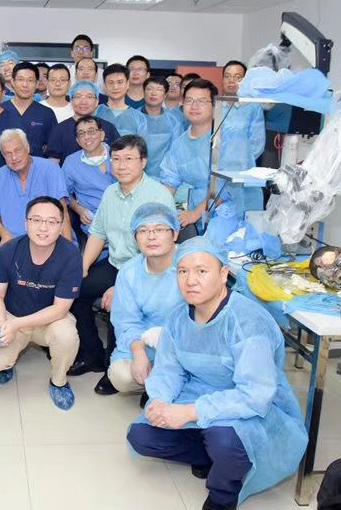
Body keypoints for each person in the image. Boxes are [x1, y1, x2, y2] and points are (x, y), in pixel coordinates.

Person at [126, 237, 307, 510]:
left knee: (224, 439)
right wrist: (159, 401)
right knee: (142, 436)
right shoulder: (178, 318)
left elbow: (255, 394)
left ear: (223, 274)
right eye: (183, 271)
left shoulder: (247, 322)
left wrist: (189, 412)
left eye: (201, 271)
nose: (190, 281)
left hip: (248, 405)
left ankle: (223, 495)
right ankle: (209, 455)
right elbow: (168, 370)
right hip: (198, 392)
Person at [69, 135, 175, 395]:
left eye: (129, 159)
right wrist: (82, 268)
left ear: (143, 162)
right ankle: (92, 354)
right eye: (116, 159)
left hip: (147, 270)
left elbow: (160, 246)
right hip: (115, 264)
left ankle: (112, 368)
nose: (121, 165)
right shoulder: (110, 193)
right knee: (73, 290)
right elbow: (97, 233)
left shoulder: (158, 195)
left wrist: (121, 286)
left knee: (121, 306)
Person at [0, 196, 82, 410]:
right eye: (36, 220)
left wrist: (16, 325)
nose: (43, 228)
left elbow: (60, 308)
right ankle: (6, 361)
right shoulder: (7, 251)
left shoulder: (70, 256)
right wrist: (3, 322)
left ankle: (59, 381)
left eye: (52, 222)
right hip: (12, 315)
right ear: (26, 223)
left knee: (67, 337)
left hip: (50, 318)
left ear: (61, 226)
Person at [108, 203, 185, 400]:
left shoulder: (189, 265)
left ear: (175, 233)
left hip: (186, 342)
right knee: (121, 376)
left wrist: (169, 339)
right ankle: (153, 384)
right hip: (147, 341)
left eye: (159, 229)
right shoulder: (129, 272)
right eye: (143, 231)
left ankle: (166, 386)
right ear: (135, 238)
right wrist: (139, 353)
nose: (151, 236)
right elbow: (126, 321)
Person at [0, 128, 72, 242]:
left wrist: (67, 248)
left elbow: (63, 212)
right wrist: (4, 234)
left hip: (50, 241)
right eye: (8, 154)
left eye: (17, 150)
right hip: (14, 242)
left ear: (27, 147)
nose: (14, 157)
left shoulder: (50, 169)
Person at [160, 79, 219, 235]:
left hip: (225, 215)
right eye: (189, 100)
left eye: (201, 101)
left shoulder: (227, 139)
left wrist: (195, 214)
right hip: (194, 215)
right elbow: (169, 182)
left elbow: (226, 189)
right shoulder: (179, 144)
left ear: (215, 106)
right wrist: (160, 212)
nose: (194, 106)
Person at [219, 60, 265, 213]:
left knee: (246, 215)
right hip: (216, 173)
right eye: (227, 76)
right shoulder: (216, 106)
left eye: (237, 77)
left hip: (243, 173)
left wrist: (238, 162)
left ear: (245, 81)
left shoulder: (253, 107)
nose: (231, 81)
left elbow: (257, 144)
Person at [62, 116, 114, 245]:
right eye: (81, 133)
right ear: (78, 141)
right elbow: (64, 194)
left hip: (122, 213)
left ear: (102, 135)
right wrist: (79, 209)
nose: (86, 137)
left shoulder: (118, 155)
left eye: (91, 131)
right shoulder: (71, 163)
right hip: (93, 219)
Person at [46, 80, 119, 165]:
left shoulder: (109, 127)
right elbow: (53, 164)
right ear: (71, 101)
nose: (83, 102)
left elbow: (119, 155)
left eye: (89, 97)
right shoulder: (60, 129)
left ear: (97, 102)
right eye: (78, 96)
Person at [1, 61, 57, 157]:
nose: (25, 85)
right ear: (13, 82)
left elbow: (54, 148)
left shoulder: (46, 113)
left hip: (37, 165)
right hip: (5, 165)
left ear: (37, 83)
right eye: (21, 79)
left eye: (30, 80)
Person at [141, 76, 184, 180]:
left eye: (159, 89)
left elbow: (177, 151)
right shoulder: (133, 117)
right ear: (143, 92)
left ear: (165, 95)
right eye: (149, 89)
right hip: (137, 176)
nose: (153, 93)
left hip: (166, 177)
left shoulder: (174, 121)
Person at [96, 63, 147, 137]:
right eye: (111, 83)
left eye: (120, 82)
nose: (115, 87)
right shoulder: (95, 112)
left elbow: (142, 143)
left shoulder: (139, 118)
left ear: (127, 84)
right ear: (104, 86)